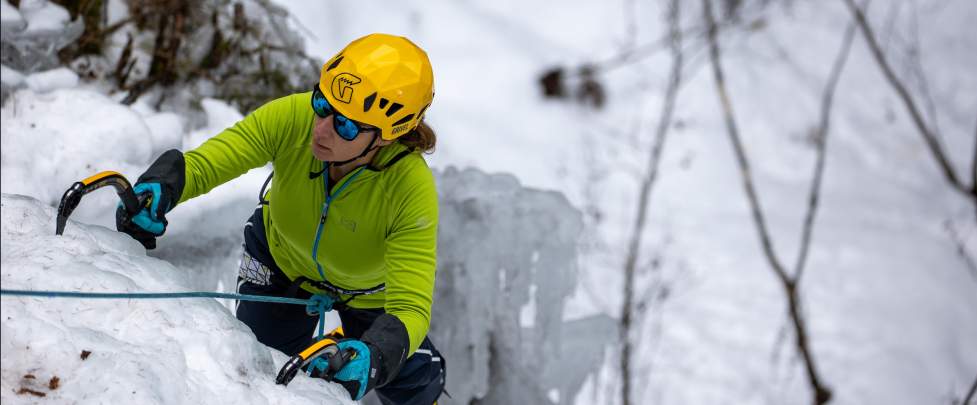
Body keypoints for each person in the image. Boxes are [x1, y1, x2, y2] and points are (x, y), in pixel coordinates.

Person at [115, 33, 445, 404]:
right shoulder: (295, 117)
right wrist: (164, 185)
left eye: (346, 125)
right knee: (260, 369)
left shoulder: (409, 188)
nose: (321, 127)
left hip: (370, 295)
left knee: (411, 382)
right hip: (281, 261)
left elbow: (410, 307)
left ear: (386, 137)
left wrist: (378, 356)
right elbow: (212, 161)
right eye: (322, 103)